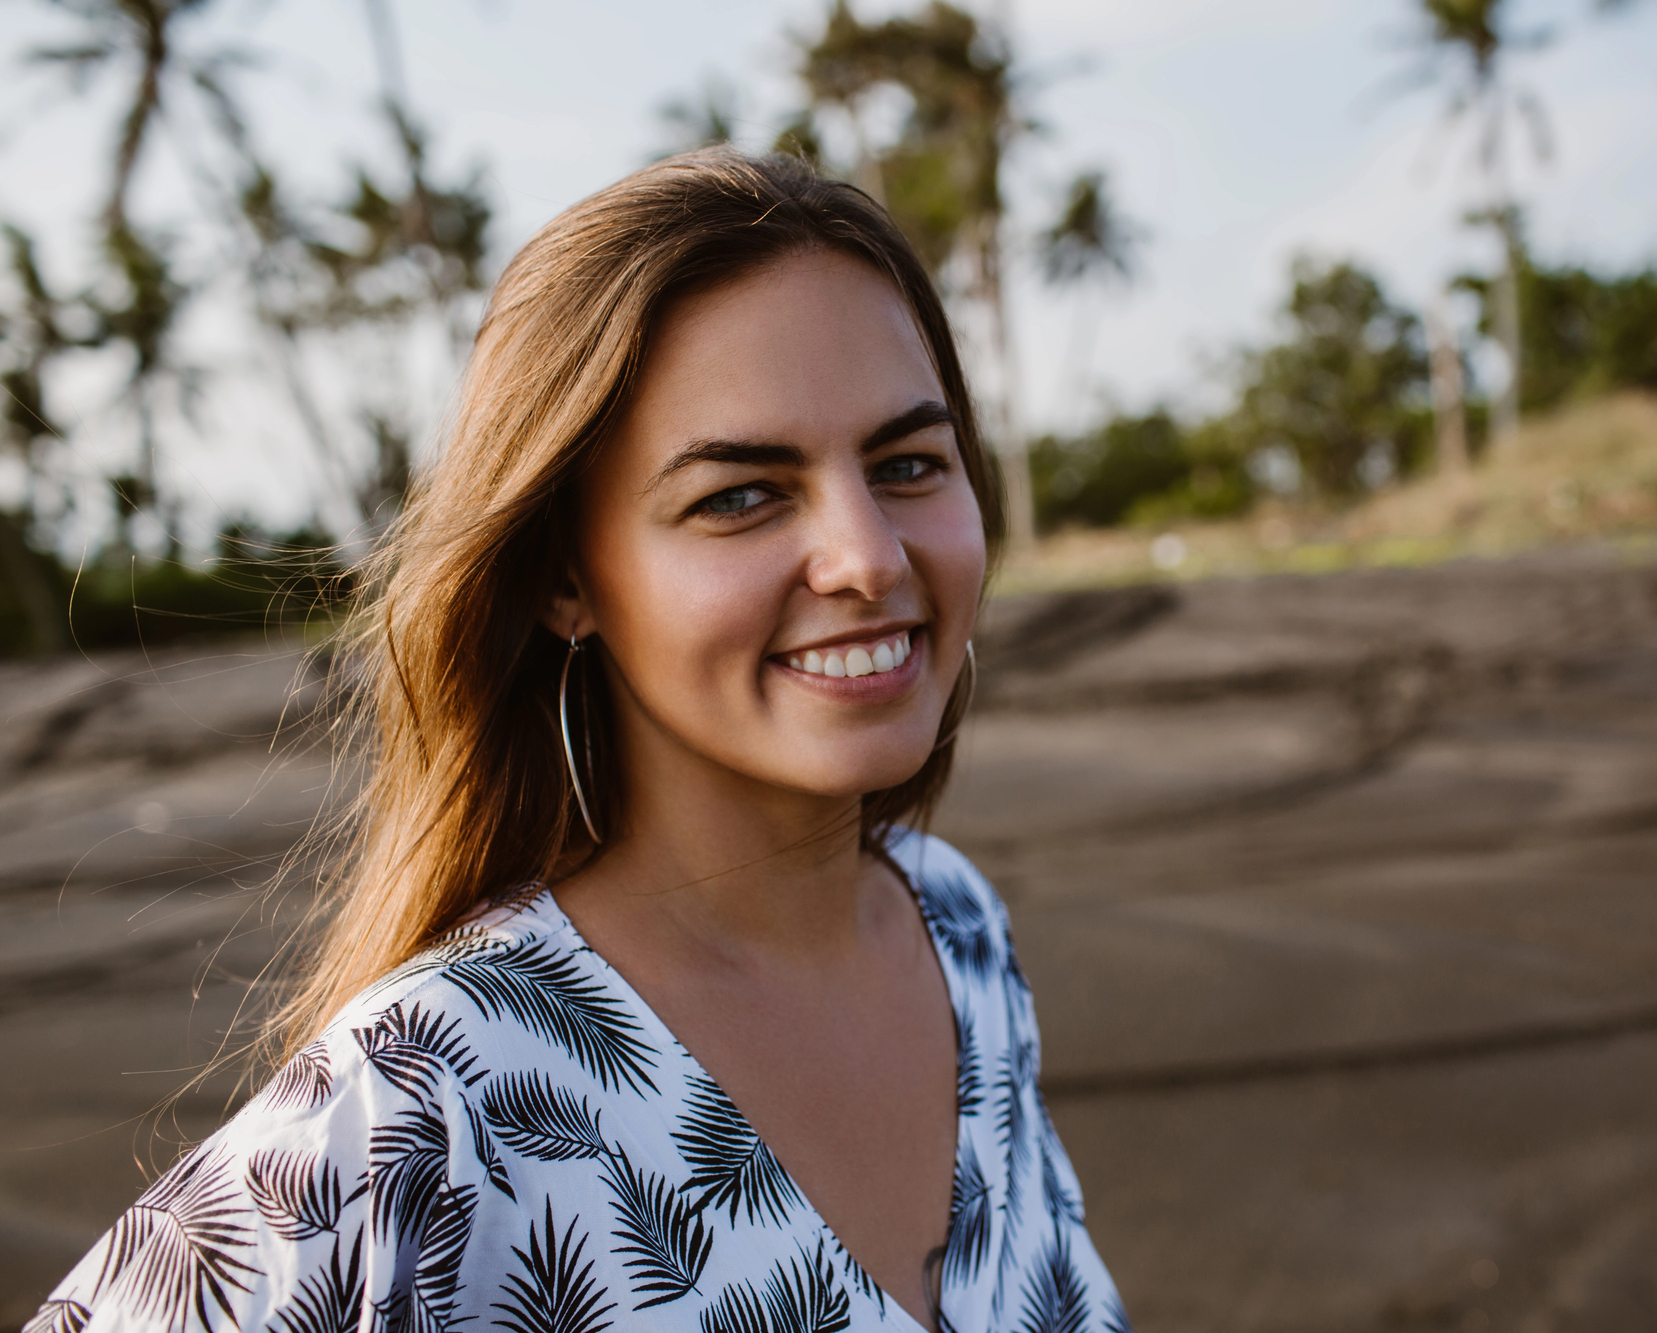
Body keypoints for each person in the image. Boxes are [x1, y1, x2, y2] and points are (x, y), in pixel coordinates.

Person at [32, 148, 1126, 1333]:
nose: (867, 556)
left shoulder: (955, 928)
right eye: (740, 495)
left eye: (907, 463)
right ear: (566, 578)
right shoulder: (435, 1097)